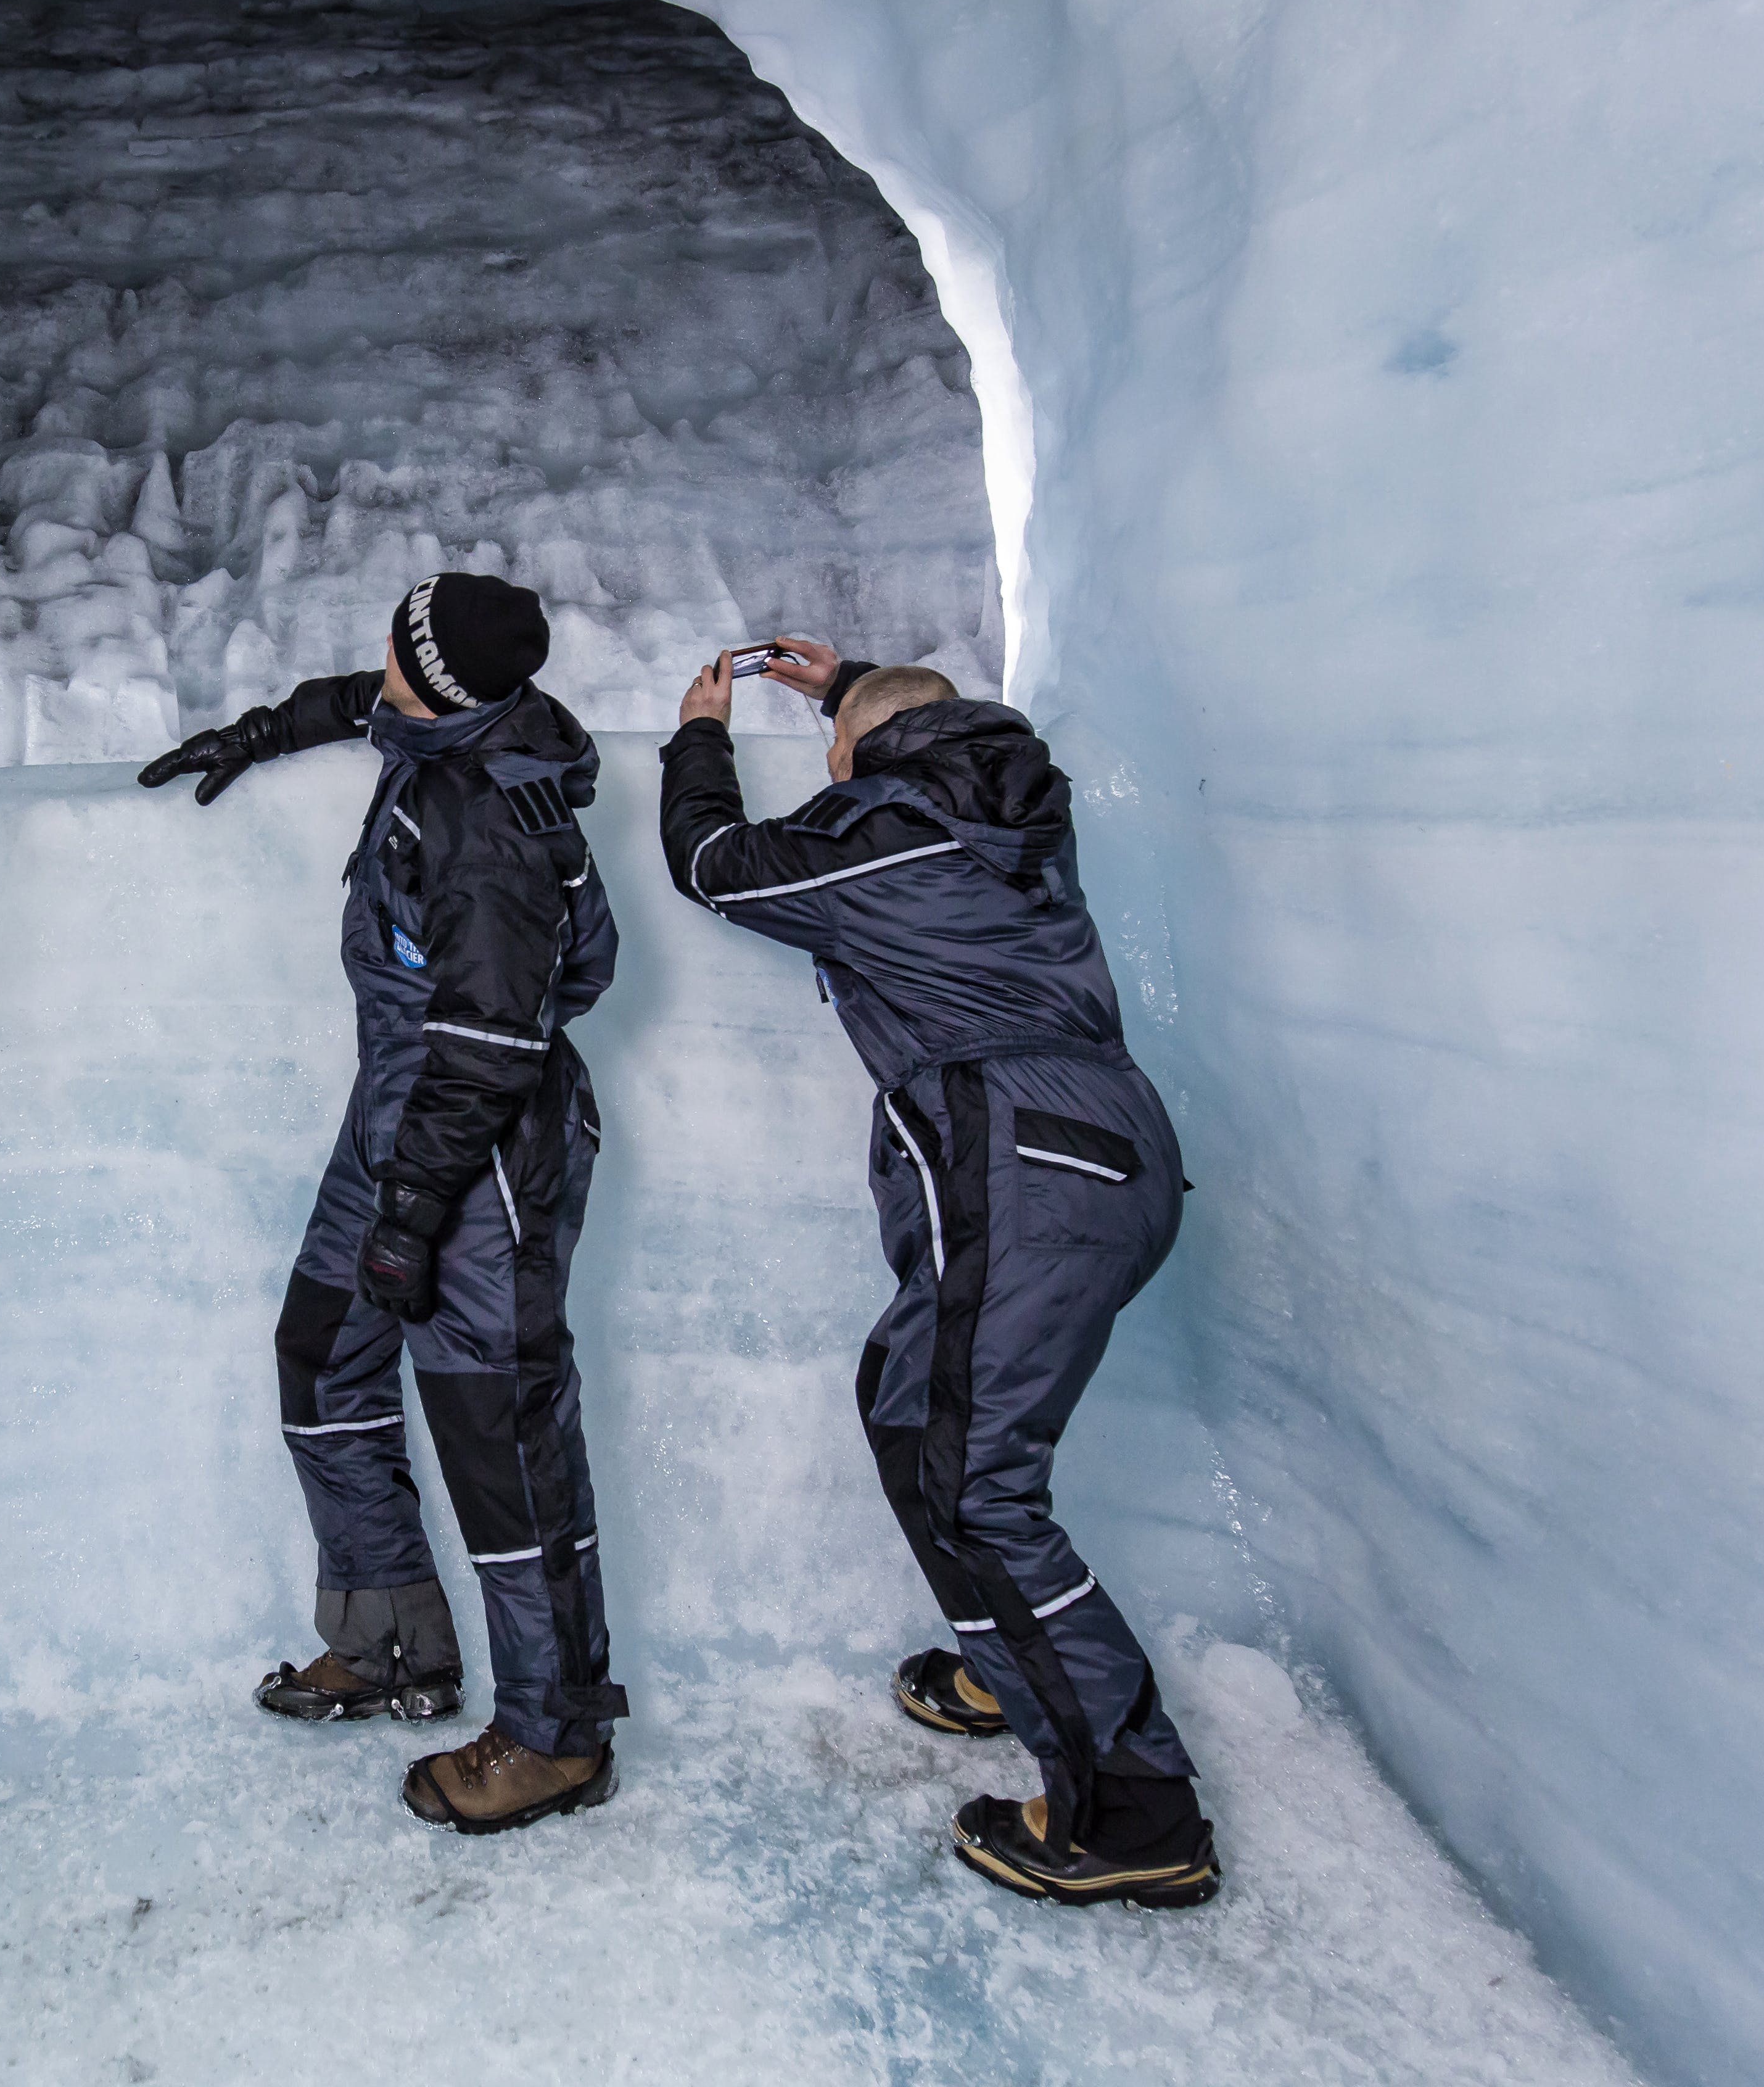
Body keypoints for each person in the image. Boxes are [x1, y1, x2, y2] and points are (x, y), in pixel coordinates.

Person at [657, 637, 1218, 1907]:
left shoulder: (878, 836)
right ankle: (1021, 1664)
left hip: (1017, 1159)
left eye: (837, 749)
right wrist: (851, 680)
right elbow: (917, 729)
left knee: (974, 1483)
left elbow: (711, 865)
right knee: (915, 1410)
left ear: (857, 759)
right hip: (1099, 1152)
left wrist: (701, 737)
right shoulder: (1021, 808)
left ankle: (1136, 1813)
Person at [138, 571, 627, 1832]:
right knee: (325, 1355)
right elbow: (371, 699)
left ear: (443, 681)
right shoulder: (453, 721)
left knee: (500, 1434)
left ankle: (555, 1736)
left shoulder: (481, 827)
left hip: (481, 1149)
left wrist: (411, 1214)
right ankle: (392, 1641)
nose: (379, 665)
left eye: (400, 647)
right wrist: (261, 731)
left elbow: (492, 1049)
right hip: (401, 1123)